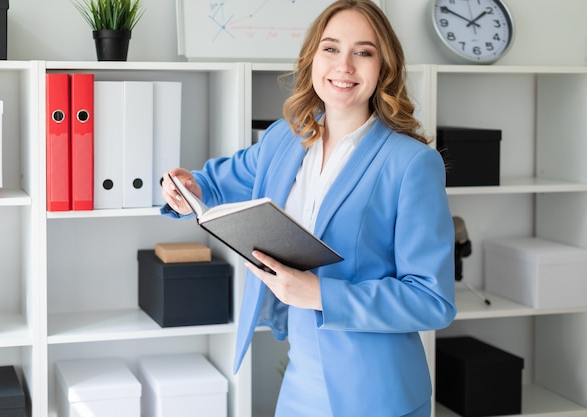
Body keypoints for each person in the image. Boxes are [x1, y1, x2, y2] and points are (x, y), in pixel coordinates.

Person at [161, 1, 456, 416]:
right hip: (301, 382)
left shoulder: (411, 163)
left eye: (364, 52)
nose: (345, 65)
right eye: (331, 48)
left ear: (384, 67)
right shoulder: (286, 137)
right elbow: (215, 182)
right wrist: (184, 187)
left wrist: (319, 293)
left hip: (377, 393)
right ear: (313, 58)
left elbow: (432, 300)